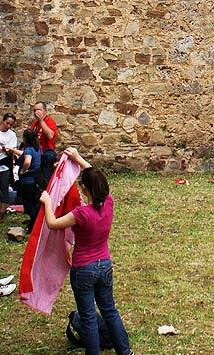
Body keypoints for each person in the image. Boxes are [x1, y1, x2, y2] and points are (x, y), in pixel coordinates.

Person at [41, 148, 133, 355]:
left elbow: (53, 223)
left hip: (84, 269)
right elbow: (95, 176)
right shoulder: (108, 203)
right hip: (105, 265)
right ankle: (126, 352)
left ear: (85, 190)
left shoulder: (81, 214)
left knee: (89, 317)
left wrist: (47, 201)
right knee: (110, 311)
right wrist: (78, 158)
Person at [28, 101, 59, 188]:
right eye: (34, 110)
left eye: (38, 110)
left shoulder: (49, 121)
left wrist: (41, 121)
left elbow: (50, 136)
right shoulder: (34, 124)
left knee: (45, 178)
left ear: (45, 111)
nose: (36, 112)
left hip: (46, 153)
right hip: (36, 153)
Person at [18, 129, 42, 229]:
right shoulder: (37, 149)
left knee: (28, 202)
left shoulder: (28, 149)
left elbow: (27, 161)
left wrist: (23, 171)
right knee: (34, 201)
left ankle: (33, 223)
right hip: (36, 179)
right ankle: (34, 219)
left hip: (28, 180)